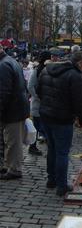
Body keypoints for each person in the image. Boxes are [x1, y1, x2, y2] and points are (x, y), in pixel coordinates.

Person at [37, 51, 82, 196]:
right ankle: (61, 185)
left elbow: (38, 91)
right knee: (62, 152)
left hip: (46, 115)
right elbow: (79, 101)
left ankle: (51, 179)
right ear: (80, 63)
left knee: (52, 148)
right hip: (62, 119)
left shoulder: (47, 70)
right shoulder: (75, 75)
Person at [0, 44, 30, 180]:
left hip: (13, 109)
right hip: (17, 107)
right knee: (12, 140)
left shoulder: (3, 65)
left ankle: (14, 169)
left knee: (13, 141)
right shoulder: (11, 61)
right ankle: (9, 166)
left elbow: (3, 92)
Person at [27, 51, 52, 155]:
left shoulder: (47, 69)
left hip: (44, 104)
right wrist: (37, 96)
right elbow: (30, 86)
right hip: (38, 104)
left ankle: (46, 147)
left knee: (42, 126)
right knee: (37, 126)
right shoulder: (37, 70)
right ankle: (33, 147)